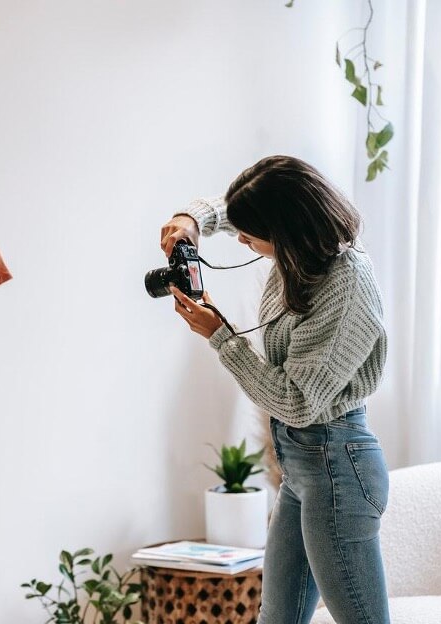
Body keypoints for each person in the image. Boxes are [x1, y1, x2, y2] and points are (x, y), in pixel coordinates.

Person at [159, 155, 391, 624]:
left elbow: (298, 402)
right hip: (303, 468)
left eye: (250, 234)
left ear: (286, 230)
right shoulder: (310, 249)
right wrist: (190, 221)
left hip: (336, 469)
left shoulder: (344, 286)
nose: (241, 240)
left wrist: (219, 336)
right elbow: (230, 210)